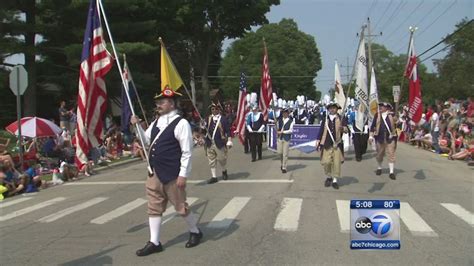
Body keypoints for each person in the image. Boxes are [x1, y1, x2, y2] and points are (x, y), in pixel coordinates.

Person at [132, 87, 202, 257]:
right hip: (154, 172)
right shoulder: (156, 122)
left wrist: (183, 174)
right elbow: (146, 140)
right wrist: (137, 127)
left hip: (172, 173)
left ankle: (195, 231)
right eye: (158, 102)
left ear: (171, 104)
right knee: (154, 207)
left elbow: (187, 151)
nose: (158, 105)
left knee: (180, 207)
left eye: (161, 102)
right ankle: (154, 242)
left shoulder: (181, 123)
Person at [315, 102, 347, 189]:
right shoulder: (325, 118)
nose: (332, 109)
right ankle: (329, 177)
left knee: (336, 163)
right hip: (326, 143)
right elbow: (321, 130)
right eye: (330, 108)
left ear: (337, 109)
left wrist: (343, 128)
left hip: (337, 144)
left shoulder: (341, 118)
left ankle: (335, 180)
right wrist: (318, 140)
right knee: (326, 162)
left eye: (334, 108)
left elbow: (346, 130)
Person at [369, 102, 398, 180]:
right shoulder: (377, 115)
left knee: (391, 154)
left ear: (387, 108)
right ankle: (379, 167)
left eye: (382, 106)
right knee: (380, 154)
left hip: (390, 138)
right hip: (379, 137)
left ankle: (391, 172)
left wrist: (394, 115)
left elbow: (397, 121)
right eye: (380, 106)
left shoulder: (391, 115)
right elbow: (373, 126)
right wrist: (371, 136)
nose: (380, 107)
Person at [205, 103, 233, 184]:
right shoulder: (208, 118)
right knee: (211, 159)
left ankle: (224, 171)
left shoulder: (223, 119)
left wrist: (229, 140)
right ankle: (214, 176)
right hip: (210, 142)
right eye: (212, 109)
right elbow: (205, 129)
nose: (214, 110)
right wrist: (203, 126)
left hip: (220, 142)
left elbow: (228, 130)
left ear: (219, 110)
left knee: (222, 159)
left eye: (216, 109)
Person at [277, 108, 294, 173]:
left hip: (286, 139)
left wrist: (283, 132)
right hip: (280, 138)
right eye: (283, 113)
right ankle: (282, 163)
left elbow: (291, 130)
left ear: (288, 113)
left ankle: (284, 167)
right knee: (280, 153)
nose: (284, 114)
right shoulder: (280, 120)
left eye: (285, 113)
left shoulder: (290, 121)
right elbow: (278, 128)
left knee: (285, 154)